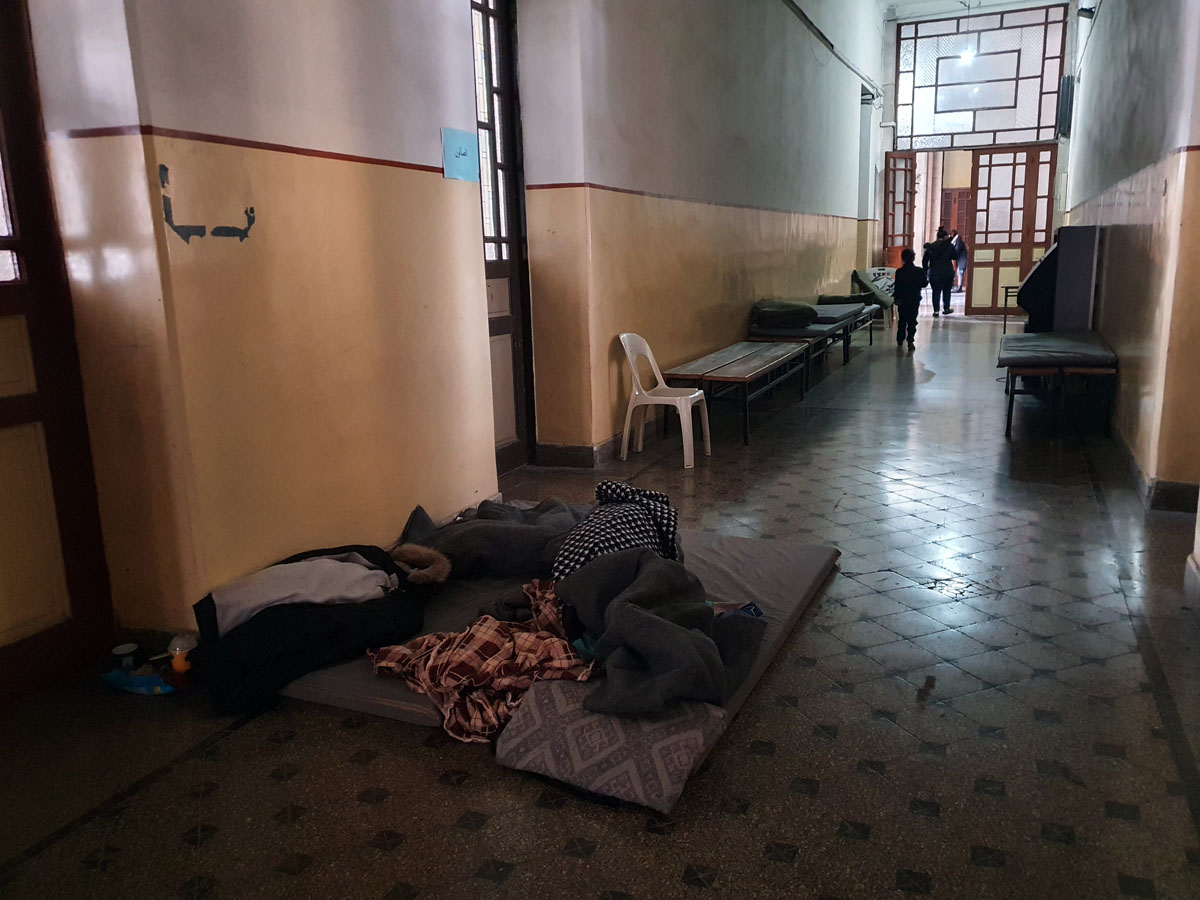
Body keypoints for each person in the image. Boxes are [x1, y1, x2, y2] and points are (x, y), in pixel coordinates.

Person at [893, 247, 926, 351]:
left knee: (902, 320)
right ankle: (910, 341)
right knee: (912, 320)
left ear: (902, 258)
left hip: (902, 300)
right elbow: (924, 284)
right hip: (914, 299)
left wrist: (897, 299)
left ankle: (900, 339)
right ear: (913, 258)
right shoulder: (919, 271)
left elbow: (897, 286)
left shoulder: (899, 272)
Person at [925, 226, 957, 316]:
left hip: (934, 273)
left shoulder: (931, 247)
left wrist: (925, 271)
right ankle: (946, 308)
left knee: (936, 292)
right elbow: (955, 256)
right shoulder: (949, 246)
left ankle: (936, 311)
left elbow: (925, 260)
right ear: (945, 237)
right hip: (947, 272)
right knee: (946, 291)